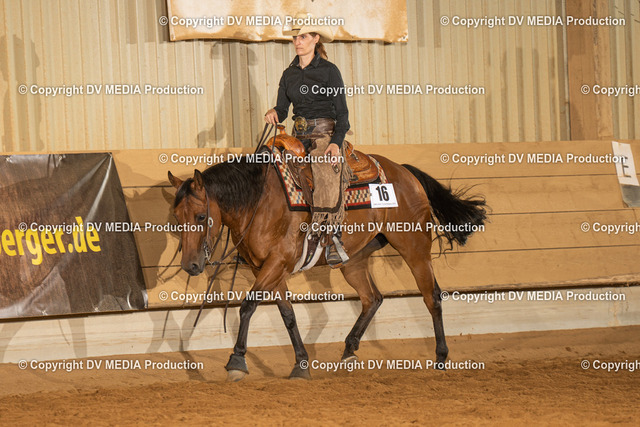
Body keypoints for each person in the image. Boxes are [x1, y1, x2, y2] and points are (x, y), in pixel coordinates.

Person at [264, 17, 350, 266]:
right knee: (266, 164)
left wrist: (335, 142)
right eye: (295, 37)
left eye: (303, 37)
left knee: (324, 171)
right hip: (297, 137)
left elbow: (342, 113)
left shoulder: (329, 71)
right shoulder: (288, 74)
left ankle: (332, 236)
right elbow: (283, 109)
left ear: (315, 39)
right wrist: (274, 112)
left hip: (324, 134)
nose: (297, 41)